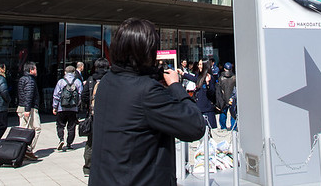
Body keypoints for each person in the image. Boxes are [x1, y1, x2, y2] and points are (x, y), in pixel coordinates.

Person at [89, 18, 206, 186]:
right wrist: (175, 86)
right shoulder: (147, 91)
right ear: (147, 51)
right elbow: (195, 126)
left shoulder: (108, 81)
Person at [81, 57, 109, 177]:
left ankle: (88, 167)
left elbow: (84, 96)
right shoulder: (110, 79)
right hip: (108, 116)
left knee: (90, 142)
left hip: (93, 115)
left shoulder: (91, 79)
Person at [53, 64, 84, 151]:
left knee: (60, 125)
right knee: (71, 126)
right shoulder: (77, 81)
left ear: (65, 72)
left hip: (61, 108)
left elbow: (56, 95)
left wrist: (54, 106)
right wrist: (77, 105)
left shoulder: (61, 81)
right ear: (74, 72)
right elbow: (80, 94)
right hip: (73, 108)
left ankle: (61, 139)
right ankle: (69, 143)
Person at [181, 59, 218, 128]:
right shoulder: (200, 76)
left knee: (207, 131)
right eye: (199, 64)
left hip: (207, 108)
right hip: (200, 106)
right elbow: (194, 78)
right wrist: (183, 74)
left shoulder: (209, 77)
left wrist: (207, 84)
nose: (199, 66)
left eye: (201, 64)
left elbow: (212, 92)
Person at [17, 61, 40, 160]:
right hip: (29, 108)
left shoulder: (22, 79)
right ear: (31, 70)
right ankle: (27, 149)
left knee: (23, 129)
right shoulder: (30, 81)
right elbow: (28, 95)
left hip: (22, 106)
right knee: (36, 128)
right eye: (35, 69)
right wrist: (27, 109)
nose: (36, 71)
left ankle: (22, 149)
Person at [216, 62, 237, 130]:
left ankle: (223, 127)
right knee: (233, 113)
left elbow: (219, 89)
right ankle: (234, 126)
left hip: (223, 98)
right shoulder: (234, 78)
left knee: (223, 113)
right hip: (232, 98)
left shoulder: (221, 78)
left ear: (224, 69)